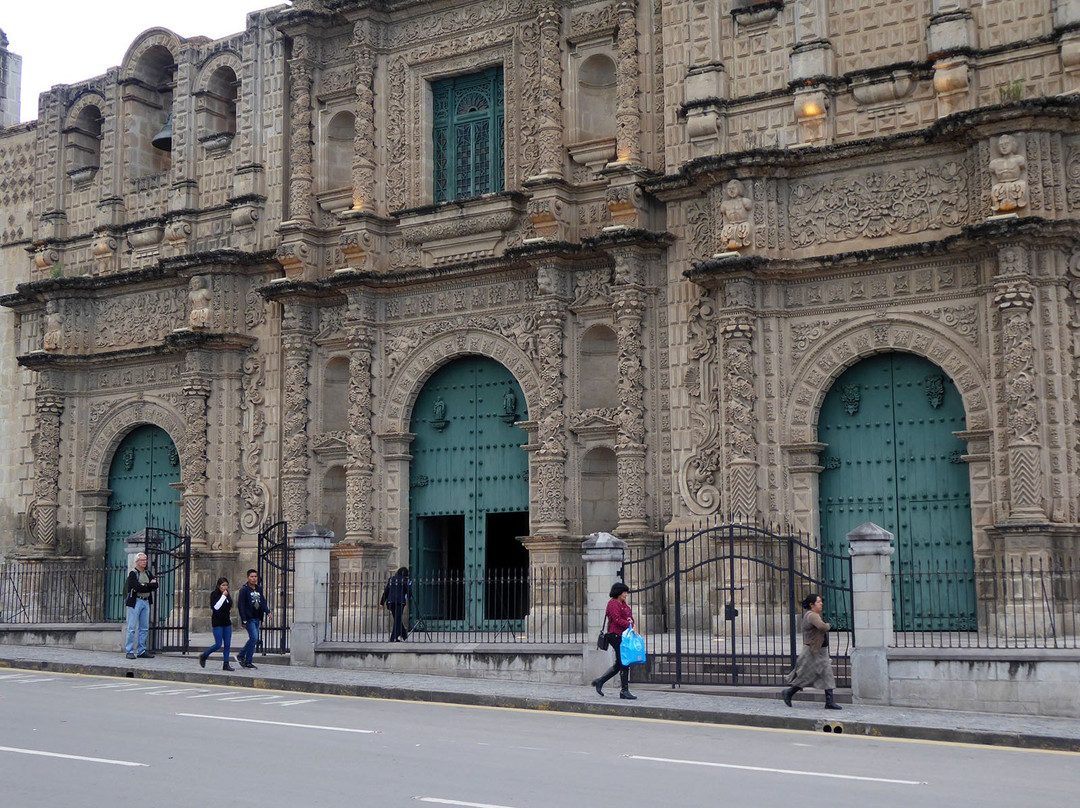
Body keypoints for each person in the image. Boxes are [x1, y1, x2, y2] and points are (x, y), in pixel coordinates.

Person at [782, 592, 842, 710]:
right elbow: (822, 627)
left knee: (827, 674)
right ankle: (788, 692)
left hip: (820, 651)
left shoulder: (814, 614)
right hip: (812, 651)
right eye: (818, 602)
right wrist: (829, 625)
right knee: (806, 675)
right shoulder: (812, 615)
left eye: (821, 601)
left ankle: (829, 702)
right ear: (812, 604)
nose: (821, 604)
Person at [590, 581, 637, 700]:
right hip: (615, 635)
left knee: (619, 664)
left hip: (623, 636)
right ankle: (624, 690)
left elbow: (629, 615)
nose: (626, 594)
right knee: (624, 662)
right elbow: (616, 620)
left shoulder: (623, 604)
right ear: (618, 593)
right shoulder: (612, 604)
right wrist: (629, 624)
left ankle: (600, 681)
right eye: (624, 592)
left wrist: (632, 622)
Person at [124, 553, 158, 660]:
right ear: (137, 562)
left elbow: (155, 585)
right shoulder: (133, 574)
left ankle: (141, 650)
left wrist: (145, 585)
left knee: (144, 627)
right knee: (132, 627)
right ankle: (129, 650)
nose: (145, 562)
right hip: (136, 601)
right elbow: (136, 587)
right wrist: (148, 585)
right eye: (142, 560)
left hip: (146, 601)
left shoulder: (148, 573)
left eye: (145, 560)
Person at [235, 569, 271, 669]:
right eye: (252, 576)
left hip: (257, 617)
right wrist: (243, 620)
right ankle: (241, 655)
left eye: (255, 576)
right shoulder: (244, 590)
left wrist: (267, 611)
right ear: (248, 577)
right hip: (249, 618)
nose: (254, 578)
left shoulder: (259, 589)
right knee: (254, 638)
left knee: (253, 640)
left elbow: (262, 601)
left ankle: (248, 661)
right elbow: (241, 605)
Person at [198, 577, 235, 671]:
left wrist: (226, 597)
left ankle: (226, 663)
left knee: (227, 644)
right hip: (217, 622)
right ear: (219, 586)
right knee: (218, 644)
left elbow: (229, 605)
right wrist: (223, 596)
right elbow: (216, 607)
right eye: (223, 585)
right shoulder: (214, 594)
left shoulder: (227, 595)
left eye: (226, 585)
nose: (225, 587)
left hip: (227, 622)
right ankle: (204, 655)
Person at [380, 566, 412, 642]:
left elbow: (386, 591)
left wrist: (382, 602)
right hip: (399, 602)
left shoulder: (391, 579)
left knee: (397, 619)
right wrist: (409, 595)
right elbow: (408, 591)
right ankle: (393, 638)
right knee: (397, 619)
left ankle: (404, 635)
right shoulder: (405, 580)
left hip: (390, 602)